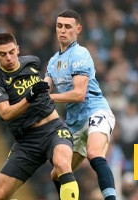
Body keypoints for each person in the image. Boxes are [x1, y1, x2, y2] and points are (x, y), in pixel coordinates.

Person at [0, 33, 79, 200]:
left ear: (18, 49)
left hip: (53, 129)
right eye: (2, 54)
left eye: (12, 52)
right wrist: (30, 96)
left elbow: (49, 79)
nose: (9, 57)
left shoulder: (32, 62)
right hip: (26, 141)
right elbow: (5, 113)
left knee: (63, 164)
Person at [44, 9, 116, 200]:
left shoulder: (80, 53)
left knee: (93, 153)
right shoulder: (53, 62)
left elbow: (79, 94)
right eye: (59, 26)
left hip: (95, 111)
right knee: (57, 173)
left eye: (68, 27)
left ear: (78, 29)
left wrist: (48, 98)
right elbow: (44, 89)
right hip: (75, 122)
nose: (63, 30)